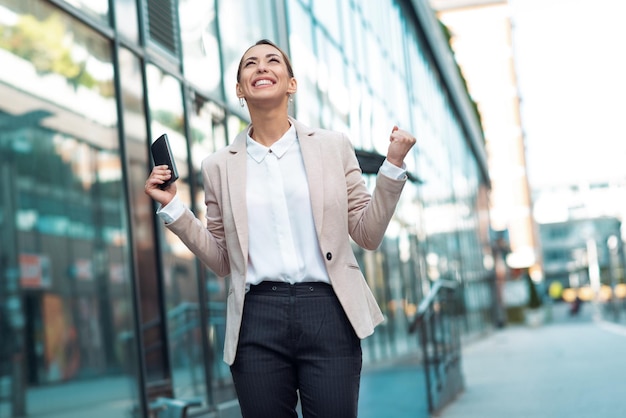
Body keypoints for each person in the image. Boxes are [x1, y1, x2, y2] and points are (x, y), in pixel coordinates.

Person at [145, 39, 416, 418]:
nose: (262, 67)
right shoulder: (218, 166)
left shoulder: (334, 146)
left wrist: (391, 167)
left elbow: (367, 233)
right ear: (240, 89)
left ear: (291, 83)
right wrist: (174, 207)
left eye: (273, 61)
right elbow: (223, 260)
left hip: (329, 309)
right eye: (250, 64)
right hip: (256, 318)